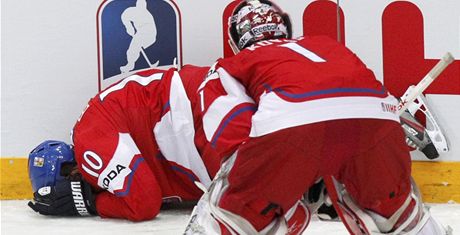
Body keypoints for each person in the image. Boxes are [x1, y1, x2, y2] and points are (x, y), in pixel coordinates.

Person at [184, 0, 449, 234]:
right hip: (378, 121)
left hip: (291, 129)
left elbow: (232, 136)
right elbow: (363, 101)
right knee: (397, 212)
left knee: (232, 212)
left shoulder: (231, 66)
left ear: (235, 39)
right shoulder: (327, 44)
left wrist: (290, 180)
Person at [27, 65, 257, 221]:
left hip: (196, 114)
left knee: (260, 202)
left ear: (69, 176)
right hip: (208, 95)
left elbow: (143, 203)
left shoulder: (88, 140)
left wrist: (91, 204)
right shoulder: (96, 126)